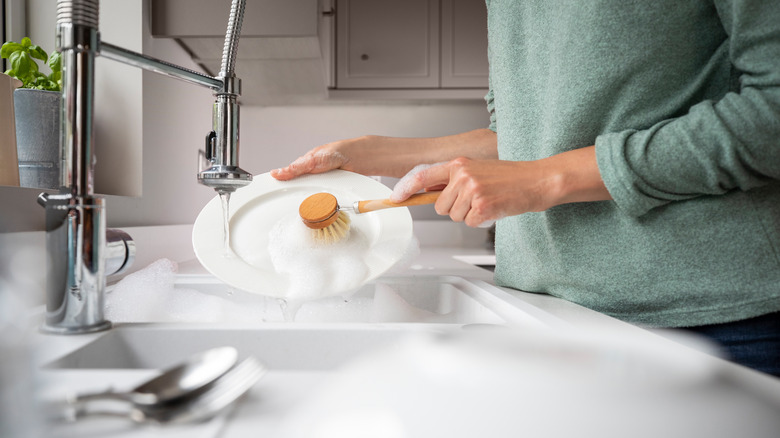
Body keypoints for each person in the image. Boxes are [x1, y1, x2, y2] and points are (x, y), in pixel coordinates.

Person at [272, 0, 780, 376]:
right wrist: (378, 152)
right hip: (541, 312)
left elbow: (770, 115)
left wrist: (543, 181)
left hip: (707, 320)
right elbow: (528, 135)